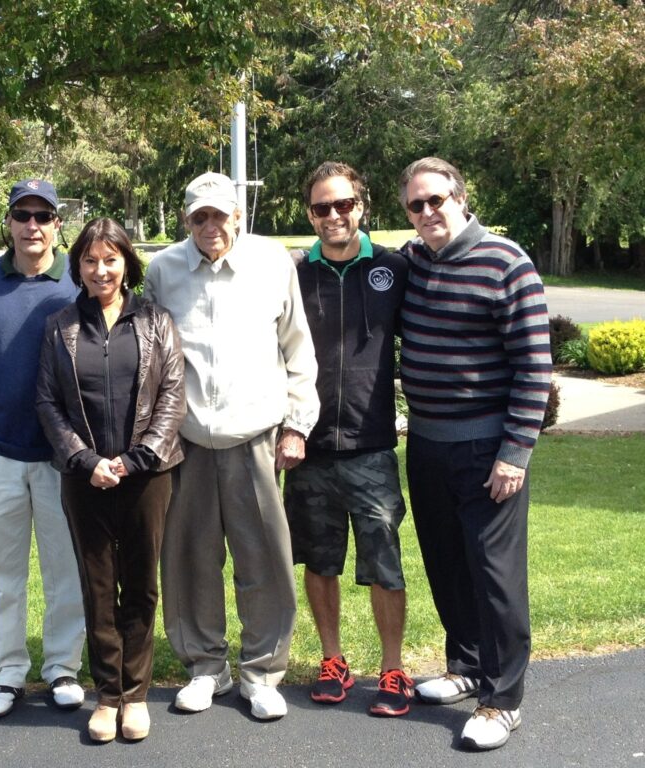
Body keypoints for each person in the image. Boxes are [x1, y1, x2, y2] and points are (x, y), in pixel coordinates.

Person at [144, 172, 320, 720]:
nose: (211, 226)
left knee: (263, 558)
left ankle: (263, 671)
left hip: (257, 439)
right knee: (190, 558)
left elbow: (298, 351)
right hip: (187, 442)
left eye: (220, 215)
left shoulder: (272, 264)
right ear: (186, 220)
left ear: (239, 216)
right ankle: (205, 666)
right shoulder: (163, 270)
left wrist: (297, 425)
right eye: (200, 217)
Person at [397, 157, 552, 750]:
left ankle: (502, 699)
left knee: (495, 576)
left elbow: (534, 368)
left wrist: (515, 452)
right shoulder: (414, 262)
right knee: (446, 563)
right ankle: (464, 667)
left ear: (461, 197)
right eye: (416, 205)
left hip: (489, 449)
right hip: (428, 444)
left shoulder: (507, 263)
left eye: (437, 200)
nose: (428, 212)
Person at [36, 218, 185, 742]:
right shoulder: (60, 325)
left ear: (127, 263)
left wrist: (137, 458)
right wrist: (84, 460)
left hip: (147, 476)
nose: (101, 270)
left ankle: (136, 694)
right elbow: (48, 402)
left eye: (111, 259)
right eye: (90, 261)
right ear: (77, 266)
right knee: (97, 586)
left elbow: (171, 394)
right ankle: (107, 696)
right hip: (85, 478)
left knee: (141, 583)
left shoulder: (156, 320)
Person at [0, 179, 86, 719]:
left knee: (63, 569)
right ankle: (5, 672)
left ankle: (62, 668)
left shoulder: (78, 278)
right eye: (22, 216)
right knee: (5, 574)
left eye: (43, 217)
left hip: (61, 456)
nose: (33, 226)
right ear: (8, 222)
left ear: (56, 225)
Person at [283, 162, 414, 717]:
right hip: (308, 448)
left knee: (385, 564)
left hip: (372, 446)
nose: (333, 216)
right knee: (319, 561)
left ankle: (393, 667)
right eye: (321, 207)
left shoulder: (393, 269)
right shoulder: (293, 274)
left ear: (362, 204)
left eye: (343, 205)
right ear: (309, 213)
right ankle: (332, 659)